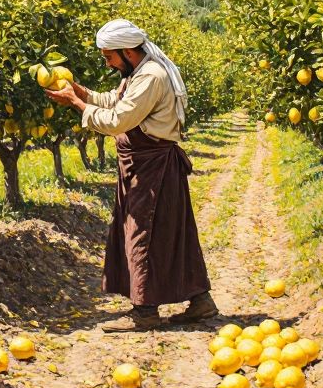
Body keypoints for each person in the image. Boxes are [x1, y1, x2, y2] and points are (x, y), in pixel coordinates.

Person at [45, 18, 216, 332]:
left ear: (126, 51)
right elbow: (115, 99)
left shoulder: (151, 76)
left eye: (109, 57)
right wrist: (80, 92)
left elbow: (118, 120)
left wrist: (76, 104)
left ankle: (145, 312)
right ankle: (201, 301)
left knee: (143, 233)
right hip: (144, 166)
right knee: (171, 231)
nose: (108, 64)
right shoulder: (139, 73)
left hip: (152, 168)